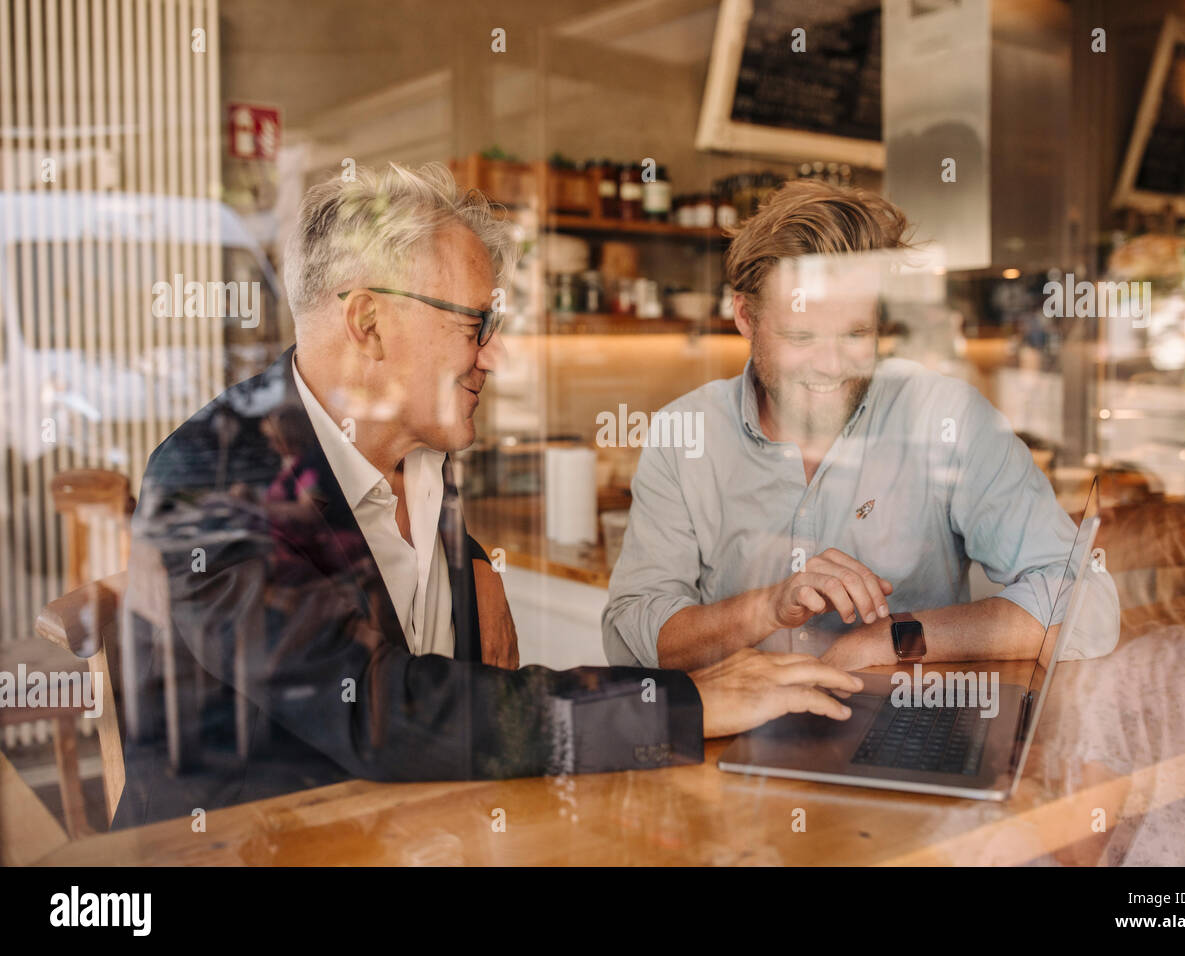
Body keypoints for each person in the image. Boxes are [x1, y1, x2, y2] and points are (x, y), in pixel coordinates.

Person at [112, 163, 863, 828]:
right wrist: (684, 702)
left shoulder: (421, 450)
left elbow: (377, 573)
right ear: (369, 323)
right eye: (477, 323)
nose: (495, 354)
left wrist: (474, 560)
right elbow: (381, 709)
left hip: (418, 831)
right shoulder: (207, 481)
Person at [602, 179, 1120, 672]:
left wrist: (891, 639)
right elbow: (633, 636)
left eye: (855, 334)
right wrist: (767, 608)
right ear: (744, 316)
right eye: (801, 336)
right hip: (731, 748)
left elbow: (1085, 600)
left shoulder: (947, 419)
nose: (831, 365)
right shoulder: (684, 435)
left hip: (904, 743)